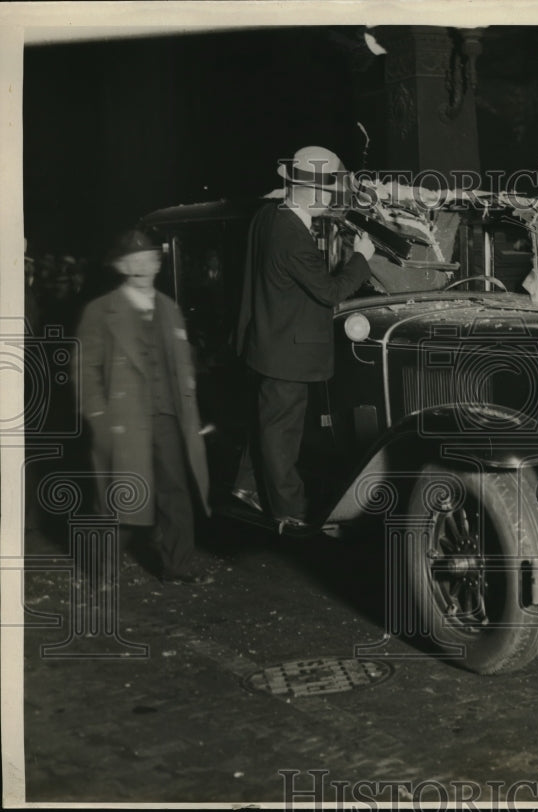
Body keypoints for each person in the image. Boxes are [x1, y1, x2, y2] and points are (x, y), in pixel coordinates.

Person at [233, 145, 375, 533]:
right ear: (310, 192)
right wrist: (361, 257)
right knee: (282, 435)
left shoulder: (269, 216)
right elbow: (330, 292)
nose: (330, 200)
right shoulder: (292, 235)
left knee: (267, 422)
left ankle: (246, 485)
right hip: (287, 354)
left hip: (268, 343)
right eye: (328, 192)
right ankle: (288, 512)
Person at [76, 230, 213, 585]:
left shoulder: (169, 308)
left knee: (175, 492)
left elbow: (183, 366)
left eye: (148, 259)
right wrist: (98, 415)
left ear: (157, 264)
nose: (141, 267)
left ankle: (178, 566)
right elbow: (83, 369)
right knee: (120, 493)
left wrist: (192, 413)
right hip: (123, 419)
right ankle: (104, 569)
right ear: (122, 267)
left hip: (168, 417)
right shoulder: (100, 311)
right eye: (133, 261)